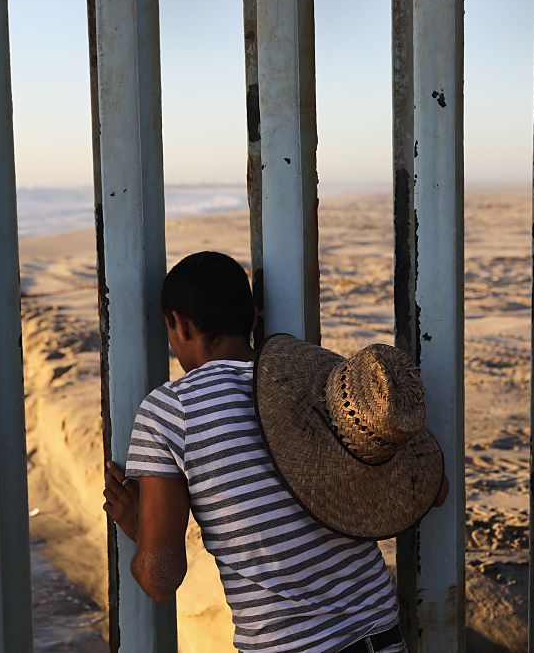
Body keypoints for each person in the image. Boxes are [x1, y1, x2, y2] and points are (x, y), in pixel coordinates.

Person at [103, 251, 446, 653]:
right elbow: (433, 490)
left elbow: (160, 581)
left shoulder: (168, 411)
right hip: (382, 638)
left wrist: (138, 529)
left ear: (177, 323)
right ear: (252, 318)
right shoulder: (316, 381)